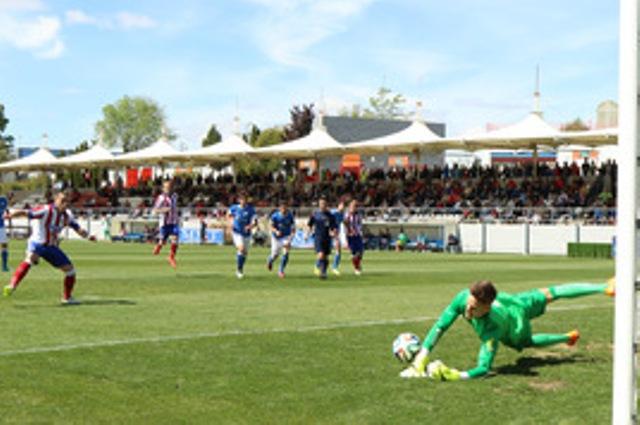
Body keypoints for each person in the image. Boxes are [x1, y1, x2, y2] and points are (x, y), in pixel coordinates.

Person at [400, 278, 616, 381]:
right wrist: (422, 357)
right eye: (469, 302)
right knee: (552, 293)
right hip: (511, 300)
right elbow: (441, 325)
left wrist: (456, 375)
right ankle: (602, 288)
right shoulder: (464, 298)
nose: (468, 308)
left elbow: (484, 368)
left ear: (486, 307)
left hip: (515, 323)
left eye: (473, 308)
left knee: (527, 342)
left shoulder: (491, 330)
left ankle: (600, 292)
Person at [3, 191, 96, 305]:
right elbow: (26, 212)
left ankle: (67, 298)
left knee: (70, 271)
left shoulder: (67, 215)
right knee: (31, 258)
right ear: (55, 200)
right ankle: (12, 285)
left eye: (67, 201)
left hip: (51, 247)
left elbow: (77, 228)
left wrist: (89, 236)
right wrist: (11, 215)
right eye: (62, 201)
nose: (65, 203)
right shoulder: (46, 210)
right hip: (38, 242)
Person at [227, 194, 257, 279]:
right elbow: (228, 215)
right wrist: (231, 222)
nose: (243, 201)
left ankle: (240, 267)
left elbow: (255, 222)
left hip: (247, 234)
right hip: (237, 232)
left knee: (244, 253)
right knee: (241, 248)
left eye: (245, 199)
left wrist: (249, 226)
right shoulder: (234, 208)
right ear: (239, 200)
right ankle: (239, 270)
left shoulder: (251, 209)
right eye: (242, 199)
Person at [307, 197, 337, 280]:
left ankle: (324, 271)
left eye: (324, 204)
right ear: (319, 205)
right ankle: (322, 272)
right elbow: (309, 225)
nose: (322, 205)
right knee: (320, 255)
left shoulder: (330, 215)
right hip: (318, 237)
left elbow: (334, 226)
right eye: (321, 204)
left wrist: (333, 232)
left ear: (326, 205)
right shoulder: (315, 214)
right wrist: (307, 234)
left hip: (327, 238)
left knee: (326, 257)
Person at [152, 180, 180, 269]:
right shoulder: (161, 198)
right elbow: (155, 210)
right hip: (164, 224)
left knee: (175, 240)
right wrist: (164, 210)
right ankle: (159, 245)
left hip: (174, 222)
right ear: (163, 188)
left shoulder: (175, 196)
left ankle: (171, 257)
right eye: (167, 187)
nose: (169, 189)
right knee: (162, 242)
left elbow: (175, 208)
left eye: (170, 187)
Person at [267, 201, 295, 278]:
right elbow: (270, 226)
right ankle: (270, 260)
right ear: (279, 208)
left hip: (285, 236)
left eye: (285, 207)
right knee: (275, 255)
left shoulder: (290, 216)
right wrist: (276, 231)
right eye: (282, 207)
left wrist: (291, 236)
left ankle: (281, 271)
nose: (283, 208)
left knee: (286, 252)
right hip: (276, 237)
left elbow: (293, 227)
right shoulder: (275, 216)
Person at [343, 199, 364, 275]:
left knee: (360, 253)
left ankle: (357, 266)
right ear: (349, 206)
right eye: (353, 206)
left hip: (357, 235)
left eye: (356, 206)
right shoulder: (346, 215)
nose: (354, 208)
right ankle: (357, 268)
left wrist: (360, 232)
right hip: (350, 237)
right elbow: (344, 225)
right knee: (354, 254)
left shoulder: (358, 215)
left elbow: (360, 225)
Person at [330, 201, 345, 275]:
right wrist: (330, 230)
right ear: (338, 206)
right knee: (324, 252)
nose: (343, 207)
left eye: (344, 206)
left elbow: (343, 222)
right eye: (342, 205)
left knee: (338, 249)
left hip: (336, 234)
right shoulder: (333, 213)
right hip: (329, 233)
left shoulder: (342, 214)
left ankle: (334, 267)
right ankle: (318, 265)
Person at [0, 196, 9, 271]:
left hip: (1, 227)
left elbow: (6, 211)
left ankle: (4, 266)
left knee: (4, 246)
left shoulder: (4, 200)